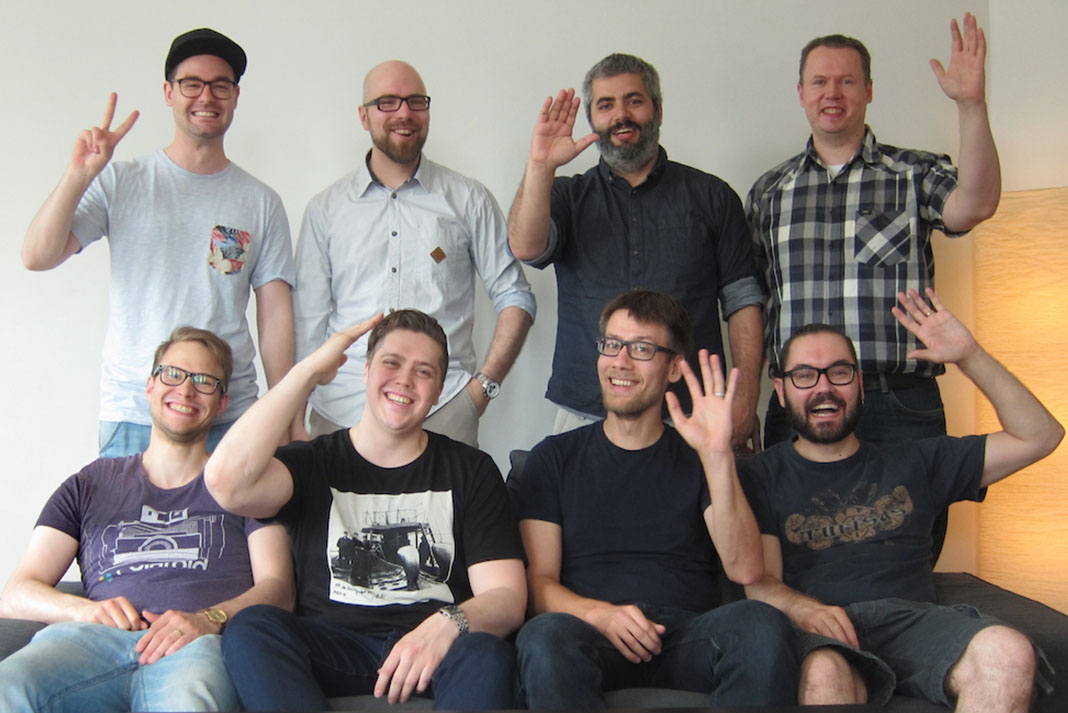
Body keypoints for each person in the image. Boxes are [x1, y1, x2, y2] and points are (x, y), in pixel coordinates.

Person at [739, 288, 1062, 713]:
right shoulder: (760, 476)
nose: (823, 387)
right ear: (781, 391)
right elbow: (760, 581)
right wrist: (805, 609)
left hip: (914, 624)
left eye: (839, 372)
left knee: (1008, 652)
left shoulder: (916, 461)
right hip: (825, 634)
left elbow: (1040, 436)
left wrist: (970, 356)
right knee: (824, 674)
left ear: (860, 385)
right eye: (805, 376)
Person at [205, 310, 527, 711]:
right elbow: (226, 482)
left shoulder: (471, 470)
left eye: (423, 371)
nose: (404, 380)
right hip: (332, 645)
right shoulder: (312, 462)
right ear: (366, 370)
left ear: (439, 390)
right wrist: (307, 372)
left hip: (435, 649)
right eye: (391, 362)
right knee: (252, 628)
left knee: (487, 653)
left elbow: (506, 596)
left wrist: (448, 624)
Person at [21, 28, 296, 457]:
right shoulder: (121, 181)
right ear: (169, 93)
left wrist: (285, 411)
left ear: (235, 96)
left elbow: (275, 315)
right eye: (191, 84)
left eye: (220, 85)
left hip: (229, 413)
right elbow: (37, 256)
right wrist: (79, 174)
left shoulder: (260, 201)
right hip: (135, 413)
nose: (207, 96)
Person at [516, 290, 797, 709]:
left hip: (687, 635)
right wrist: (600, 615)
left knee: (762, 625)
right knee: (542, 637)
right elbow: (539, 585)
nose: (621, 362)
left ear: (674, 368)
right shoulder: (552, 459)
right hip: (590, 634)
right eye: (612, 344)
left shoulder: (701, 456)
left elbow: (745, 569)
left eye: (642, 349)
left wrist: (718, 456)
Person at [0, 327, 294, 713]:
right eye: (173, 374)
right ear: (150, 385)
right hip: (90, 642)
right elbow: (16, 594)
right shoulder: (89, 484)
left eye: (204, 381)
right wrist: (84, 612)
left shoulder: (249, 488)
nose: (186, 390)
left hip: (192, 649)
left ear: (222, 402)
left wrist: (210, 618)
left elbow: (279, 590)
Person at [747, 14, 1001, 450]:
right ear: (801, 94)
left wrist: (971, 105)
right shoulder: (768, 192)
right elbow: (753, 301)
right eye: (819, 82)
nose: (832, 93)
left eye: (846, 81)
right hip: (798, 404)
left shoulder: (914, 173)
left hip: (896, 403)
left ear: (868, 90)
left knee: (914, 500)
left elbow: (976, 205)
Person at [507, 53, 763, 451]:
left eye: (634, 101)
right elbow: (525, 246)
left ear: (658, 110)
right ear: (592, 120)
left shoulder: (712, 196)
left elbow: (743, 301)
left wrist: (746, 395)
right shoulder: (567, 196)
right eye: (606, 105)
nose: (621, 115)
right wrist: (540, 165)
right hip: (587, 409)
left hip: (692, 411)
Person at [294, 60, 535, 447]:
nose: (404, 113)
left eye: (416, 101)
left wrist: (480, 391)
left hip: (444, 409)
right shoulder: (326, 210)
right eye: (387, 102)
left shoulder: (468, 199)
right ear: (364, 116)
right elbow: (307, 320)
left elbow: (515, 295)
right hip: (341, 411)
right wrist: (294, 409)